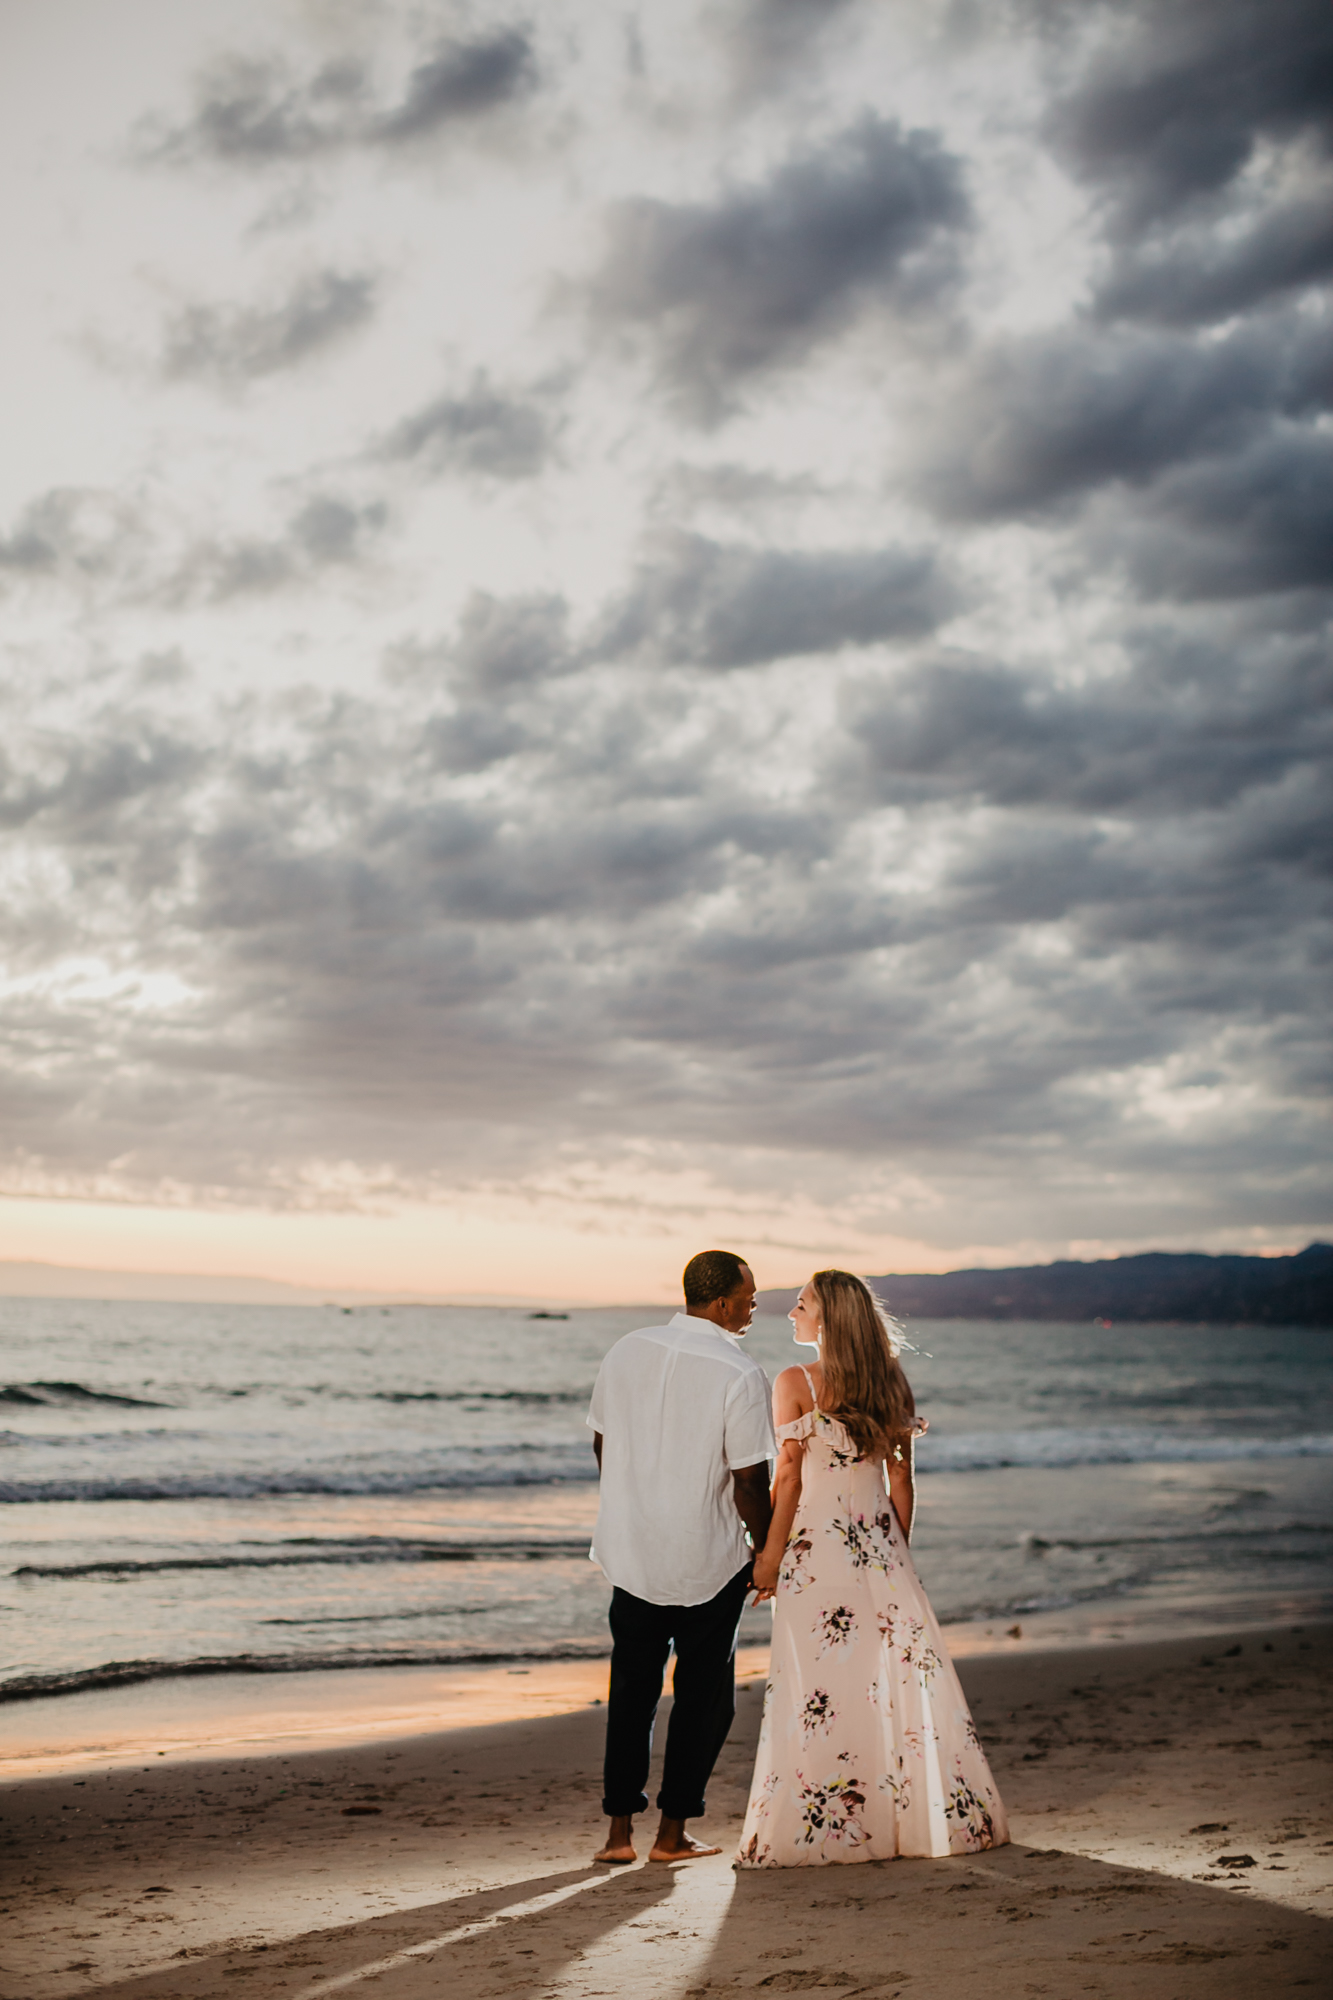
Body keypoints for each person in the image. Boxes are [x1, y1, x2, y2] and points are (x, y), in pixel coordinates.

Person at [737, 1269, 1008, 1867]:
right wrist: (895, 1554)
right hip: (882, 1549)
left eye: (801, 1304)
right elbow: (902, 1478)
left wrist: (770, 1557)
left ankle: (828, 1830)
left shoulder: (794, 1381)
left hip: (818, 1553)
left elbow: (788, 1478)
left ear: (827, 1317)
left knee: (819, 1688)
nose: (791, 1314)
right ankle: (905, 1824)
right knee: (886, 1684)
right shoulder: (891, 1381)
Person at [588, 1249, 775, 1864]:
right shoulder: (739, 1372)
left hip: (634, 1549)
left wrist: (633, 1504)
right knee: (703, 1698)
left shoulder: (626, 1349)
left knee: (631, 1693)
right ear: (722, 1302)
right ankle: (671, 1836)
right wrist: (767, 1544)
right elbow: (749, 1479)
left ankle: (618, 1837)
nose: (753, 1307)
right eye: (749, 1298)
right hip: (707, 1557)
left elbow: (602, 1442)